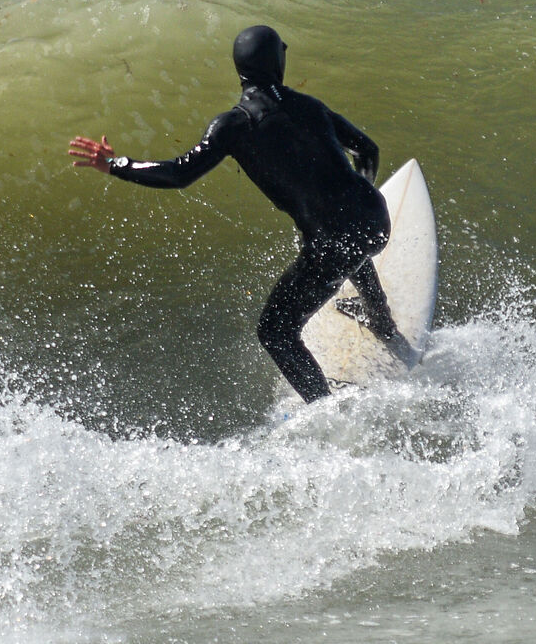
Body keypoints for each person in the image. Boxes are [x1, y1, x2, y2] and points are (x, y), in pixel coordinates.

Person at [68, 25, 414, 402]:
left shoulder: (235, 125)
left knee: (275, 332)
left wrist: (116, 164)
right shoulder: (312, 107)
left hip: (333, 243)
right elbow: (368, 150)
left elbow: (178, 173)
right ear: (277, 62)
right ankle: (381, 321)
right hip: (375, 221)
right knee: (348, 240)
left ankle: (326, 409)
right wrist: (358, 195)